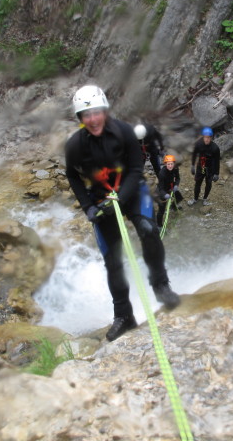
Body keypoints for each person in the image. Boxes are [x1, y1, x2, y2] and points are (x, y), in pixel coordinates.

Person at [65, 85, 181, 342]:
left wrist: (121, 196)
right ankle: (124, 316)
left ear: (104, 111)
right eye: (86, 115)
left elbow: (137, 168)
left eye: (96, 112)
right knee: (112, 261)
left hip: (131, 191)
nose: (93, 119)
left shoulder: (124, 132)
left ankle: (161, 286)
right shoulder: (75, 145)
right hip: (102, 200)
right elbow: (72, 175)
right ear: (81, 119)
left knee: (149, 230)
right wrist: (88, 207)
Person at [188, 126, 221, 206]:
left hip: (210, 169)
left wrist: (217, 173)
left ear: (211, 138)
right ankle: (195, 199)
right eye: (205, 137)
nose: (207, 139)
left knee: (208, 184)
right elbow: (194, 154)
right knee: (198, 183)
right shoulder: (199, 144)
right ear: (203, 137)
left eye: (209, 137)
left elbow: (217, 161)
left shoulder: (215, 148)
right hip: (201, 167)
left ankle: (205, 199)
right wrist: (192, 165)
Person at [156, 154, 184, 228]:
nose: (170, 166)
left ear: (174, 164)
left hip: (171, 187)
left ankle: (173, 207)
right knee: (161, 210)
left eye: (171, 164)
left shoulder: (175, 169)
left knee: (179, 198)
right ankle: (159, 225)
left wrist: (176, 185)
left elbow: (178, 178)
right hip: (163, 191)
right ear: (165, 164)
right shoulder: (162, 173)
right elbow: (160, 188)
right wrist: (165, 195)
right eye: (168, 164)